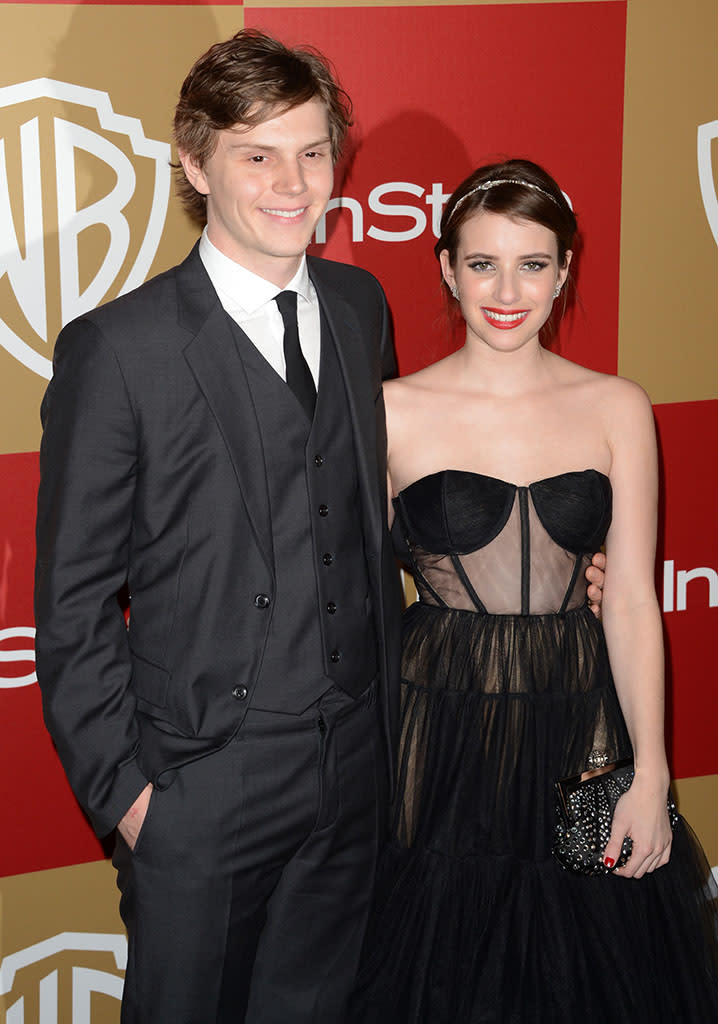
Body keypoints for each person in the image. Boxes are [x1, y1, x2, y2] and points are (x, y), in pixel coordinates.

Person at [34, 30, 606, 1022]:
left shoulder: (355, 306)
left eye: (312, 151)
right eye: (257, 154)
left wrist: (541, 566)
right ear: (194, 162)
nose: (292, 182)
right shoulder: (120, 349)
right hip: (201, 782)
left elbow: (364, 515)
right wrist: (130, 796)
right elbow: (72, 601)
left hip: (358, 769)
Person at [351, 159, 718, 1023]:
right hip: (434, 725)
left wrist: (651, 773)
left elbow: (629, 600)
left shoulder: (618, 406)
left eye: (532, 264)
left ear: (565, 271)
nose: (506, 290)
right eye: (482, 264)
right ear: (446, 268)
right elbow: (343, 589)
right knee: (434, 972)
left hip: (583, 722)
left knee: (593, 971)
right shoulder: (388, 411)